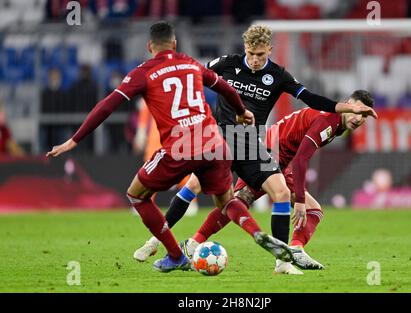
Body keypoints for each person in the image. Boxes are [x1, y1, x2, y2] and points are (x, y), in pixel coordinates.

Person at [46, 21, 295, 272]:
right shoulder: (190, 63)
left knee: (136, 194)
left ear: (149, 47)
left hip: (180, 145)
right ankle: (257, 234)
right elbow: (226, 88)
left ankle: (175, 255)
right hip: (215, 143)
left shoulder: (143, 72)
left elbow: (107, 106)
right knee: (228, 201)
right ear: (174, 44)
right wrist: (243, 112)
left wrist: (74, 139)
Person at [134, 24, 377, 274]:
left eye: (260, 54)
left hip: (251, 141)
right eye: (250, 53)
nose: (254, 60)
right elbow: (192, 78)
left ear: (269, 50)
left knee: (281, 192)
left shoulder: (279, 75)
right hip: (219, 137)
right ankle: (154, 241)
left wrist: (348, 108)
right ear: (245, 49)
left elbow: (311, 98)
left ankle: (282, 263)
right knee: (193, 186)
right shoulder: (227, 63)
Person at [182, 90, 375, 274]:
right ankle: (292, 251)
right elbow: (301, 159)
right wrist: (299, 199)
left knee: (241, 201)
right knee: (304, 208)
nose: (358, 118)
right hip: (271, 154)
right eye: (356, 111)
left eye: (364, 116)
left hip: (273, 152)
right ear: (347, 106)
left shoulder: (337, 124)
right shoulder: (329, 121)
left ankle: (194, 244)